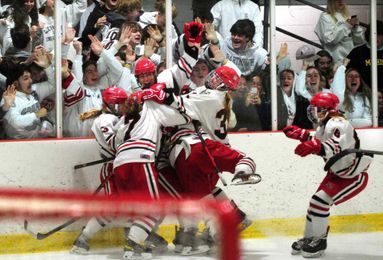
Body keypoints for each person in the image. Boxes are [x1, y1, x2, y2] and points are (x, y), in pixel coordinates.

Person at [283, 92, 372, 258]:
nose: (312, 111)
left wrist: (314, 146)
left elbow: (334, 146)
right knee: (314, 204)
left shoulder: (337, 122)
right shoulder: (326, 124)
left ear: (326, 109)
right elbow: (319, 140)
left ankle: (319, 240)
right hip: (337, 173)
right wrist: (301, 135)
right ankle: (310, 238)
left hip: (352, 175)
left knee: (319, 202)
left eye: (316, 108)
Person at [347, 20, 383, 92]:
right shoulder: (357, 52)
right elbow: (347, 73)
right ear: (368, 35)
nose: (375, 38)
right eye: (373, 34)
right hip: (362, 94)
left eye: (379, 35)